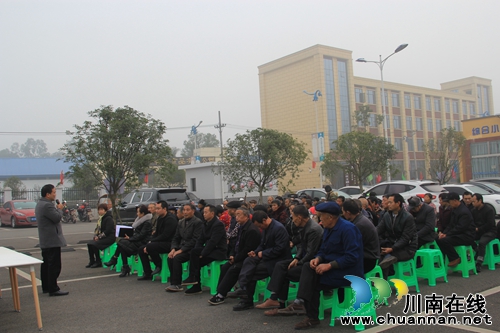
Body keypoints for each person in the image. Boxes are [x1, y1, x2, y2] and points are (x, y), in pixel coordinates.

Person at [278, 201, 364, 330]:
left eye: (321, 216)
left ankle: (307, 311)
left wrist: (329, 265)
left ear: (330, 217)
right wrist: (318, 259)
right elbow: (323, 250)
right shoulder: (328, 229)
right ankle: (304, 307)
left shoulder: (348, 229)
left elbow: (352, 257)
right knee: (308, 267)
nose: (319, 219)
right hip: (331, 270)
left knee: (311, 281)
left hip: (347, 272)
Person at [256, 205, 323, 315]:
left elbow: (311, 253)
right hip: (303, 259)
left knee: (285, 271)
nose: (292, 219)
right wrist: (296, 258)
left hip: (311, 263)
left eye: (293, 216)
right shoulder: (303, 227)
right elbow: (301, 245)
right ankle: (275, 299)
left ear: (300, 217)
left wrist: (299, 262)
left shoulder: (313, 229)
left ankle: (284, 302)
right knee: (280, 265)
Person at [232, 211, 291, 311]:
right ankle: (243, 288)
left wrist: (263, 253)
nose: (260, 228)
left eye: (259, 225)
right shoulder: (265, 229)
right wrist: (256, 252)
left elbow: (280, 248)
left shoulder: (278, 228)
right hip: (267, 258)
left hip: (278, 260)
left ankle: (246, 297)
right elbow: (262, 244)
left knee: (251, 272)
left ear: (264, 220)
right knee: (249, 261)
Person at [208, 207, 261, 305]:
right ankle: (220, 292)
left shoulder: (251, 230)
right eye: (236, 215)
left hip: (248, 258)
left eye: (239, 214)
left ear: (246, 216)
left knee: (233, 269)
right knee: (225, 267)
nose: (236, 217)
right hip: (238, 256)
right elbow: (235, 244)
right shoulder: (241, 227)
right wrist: (232, 254)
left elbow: (247, 249)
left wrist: (235, 259)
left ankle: (221, 295)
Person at [181, 204, 227, 294]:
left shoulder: (218, 225)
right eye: (203, 212)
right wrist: (198, 250)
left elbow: (213, 242)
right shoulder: (205, 224)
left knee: (195, 257)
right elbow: (200, 239)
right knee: (194, 256)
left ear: (212, 213)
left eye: (206, 212)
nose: (204, 214)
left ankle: (194, 280)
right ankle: (196, 284)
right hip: (210, 250)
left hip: (219, 251)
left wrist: (202, 253)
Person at [36, 184, 68, 296]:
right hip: (52, 240)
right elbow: (56, 218)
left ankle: (46, 287)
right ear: (47, 194)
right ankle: (53, 288)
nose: (55, 194)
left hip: (46, 240)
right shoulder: (47, 206)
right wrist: (60, 210)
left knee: (46, 264)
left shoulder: (40, 204)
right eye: (54, 192)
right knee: (54, 265)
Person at [104, 205, 152, 277]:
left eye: (138, 212)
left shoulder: (147, 222)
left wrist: (130, 238)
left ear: (143, 213)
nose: (137, 214)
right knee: (122, 246)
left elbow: (141, 235)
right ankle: (124, 266)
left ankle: (115, 259)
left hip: (142, 242)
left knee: (121, 243)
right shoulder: (139, 220)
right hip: (136, 240)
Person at [165, 203, 203, 292]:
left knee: (177, 258)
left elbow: (195, 240)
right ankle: (174, 282)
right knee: (170, 257)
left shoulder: (197, 222)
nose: (185, 212)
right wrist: (173, 249)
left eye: (187, 210)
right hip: (181, 247)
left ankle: (177, 284)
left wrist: (181, 250)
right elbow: (176, 237)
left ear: (193, 211)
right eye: (184, 210)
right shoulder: (180, 222)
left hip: (192, 249)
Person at [376, 193, 418, 274]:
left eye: (390, 202)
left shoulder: (408, 217)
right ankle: (383, 279)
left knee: (385, 260)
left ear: (398, 203)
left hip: (407, 248)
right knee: (377, 254)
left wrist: (392, 249)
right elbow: (378, 229)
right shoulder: (387, 215)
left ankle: (384, 283)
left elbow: (405, 238)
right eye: (388, 202)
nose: (388, 204)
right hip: (391, 245)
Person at [138, 201, 178, 280]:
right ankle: (148, 273)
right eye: (156, 209)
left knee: (150, 246)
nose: (156, 210)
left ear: (165, 209)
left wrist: (152, 242)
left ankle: (159, 265)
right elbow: (157, 233)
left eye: (158, 209)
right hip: (161, 241)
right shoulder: (160, 218)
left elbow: (165, 235)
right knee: (141, 249)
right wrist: (151, 240)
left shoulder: (170, 219)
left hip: (170, 243)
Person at [436, 192, 476, 267]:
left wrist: (447, 234)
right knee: (438, 239)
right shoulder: (455, 209)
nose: (449, 203)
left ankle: (455, 258)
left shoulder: (464, 212)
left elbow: (460, 228)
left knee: (445, 240)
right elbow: (451, 225)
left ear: (455, 200)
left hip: (467, 236)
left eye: (449, 201)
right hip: (458, 234)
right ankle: (446, 257)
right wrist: (443, 233)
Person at [342, 199, 380, 273]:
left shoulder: (360, 225)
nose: (343, 214)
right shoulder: (358, 220)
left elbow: (352, 246)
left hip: (368, 259)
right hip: (363, 255)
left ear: (348, 212)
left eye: (343, 211)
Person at [471, 193, 497, 272]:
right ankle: (477, 251)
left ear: (480, 200)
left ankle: (479, 262)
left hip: (490, 231)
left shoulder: (489, 209)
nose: (473, 203)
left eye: (474, 201)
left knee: (482, 242)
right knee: (467, 238)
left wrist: (479, 229)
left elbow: (490, 224)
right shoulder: (473, 210)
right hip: (478, 231)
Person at [86, 202, 116, 268]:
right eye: (99, 210)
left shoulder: (108, 218)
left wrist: (99, 237)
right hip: (103, 237)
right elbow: (97, 229)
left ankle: (98, 261)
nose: (100, 211)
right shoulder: (101, 218)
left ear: (105, 210)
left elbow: (107, 231)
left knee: (95, 244)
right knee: (89, 244)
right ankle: (92, 261)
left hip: (109, 238)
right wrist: (95, 236)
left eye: (102, 209)